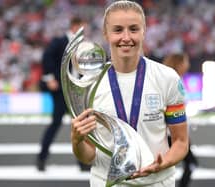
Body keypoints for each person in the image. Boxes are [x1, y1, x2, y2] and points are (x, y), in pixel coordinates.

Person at [70, 1, 189, 186]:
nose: (126, 37)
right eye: (118, 30)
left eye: (133, 29)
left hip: (157, 182)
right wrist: (77, 141)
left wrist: (162, 164)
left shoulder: (167, 78)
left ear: (144, 31)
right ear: (106, 34)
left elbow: (181, 142)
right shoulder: (89, 85)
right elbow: (88, 156)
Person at [37, 16, 90, 171]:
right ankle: (42, 158)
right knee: (56, 123)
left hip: (76, 91)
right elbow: (46, 57)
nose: (84, 31)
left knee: (80, 126)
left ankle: (83, 162)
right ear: (75, 26)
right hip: (61, 90)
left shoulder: (83, 45)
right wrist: (50, 78)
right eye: (82, 27)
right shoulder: (60, 41)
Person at [163, 53, 199, 187]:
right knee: (190, 163)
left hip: (175, 133)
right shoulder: (172, 82)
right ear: (179, 64)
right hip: (172, 133)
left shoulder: (174, 81)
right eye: (185, 61)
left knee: (169, 166)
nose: (188, 65)